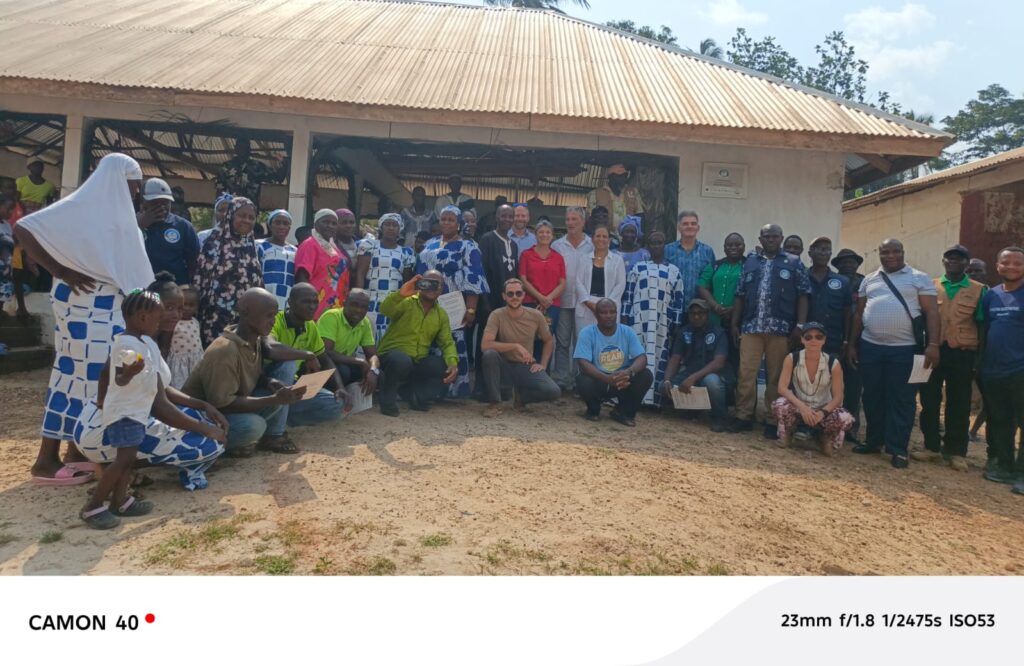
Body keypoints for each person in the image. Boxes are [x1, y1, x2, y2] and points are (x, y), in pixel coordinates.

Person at [14, 153, 154, 485]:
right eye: (134, 186)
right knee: (92, 381)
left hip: (103, 307)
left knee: (74, 379)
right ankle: (46, 462)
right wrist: (60, 270)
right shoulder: (80, 207)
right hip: (85, 308)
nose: (136, 193)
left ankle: (75, 453)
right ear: (119, 181)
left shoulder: (113, 214)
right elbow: (23, 228)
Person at [73, 276, 227, 492]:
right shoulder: (138, 344)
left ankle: (118, 481)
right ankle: (106, 488)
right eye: (168, 307)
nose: (176, 314)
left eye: (180, 308)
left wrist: (203, 405)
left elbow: (161, 388)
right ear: (146, 312)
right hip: (108, 427)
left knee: (197, 418)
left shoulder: (145, 340)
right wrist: (207, 430)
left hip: (113, 419)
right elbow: (160, 407)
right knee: (209, 445)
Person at [847, 239, 940, 469]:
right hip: (871, 347)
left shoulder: (919, 278)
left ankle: (897, 448)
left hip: (906, 350)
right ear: (879, 254)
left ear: (903, 252)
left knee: (902, 399)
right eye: (885, 252)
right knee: (872, 396)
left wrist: (934, 344)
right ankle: (873, 441)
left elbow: (932, 312)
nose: (890, 256)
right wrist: (851, 344)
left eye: (895, 251)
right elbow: (859, 315)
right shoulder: (869, 279)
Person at [182, 288, 308, 456]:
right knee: (253, 426)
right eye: (268, 315)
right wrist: (273, 399)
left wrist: (270, 382)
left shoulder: (254, 340)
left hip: (223, 410)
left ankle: (241, 442)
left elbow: (250, 376)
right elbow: (223, 404)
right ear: (246, 313)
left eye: (275, 315)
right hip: (201, 417)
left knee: (279, 395)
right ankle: (212, 448)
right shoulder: (224, 350)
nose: (273, 321)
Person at [79, 289, 165, 529]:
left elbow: (105, 372)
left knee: (128, 460)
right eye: (157, 319)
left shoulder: (137, 341)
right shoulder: (126, 345)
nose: (159, 324)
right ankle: (93, 506)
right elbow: (119, 378)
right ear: (142, 318)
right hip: (124, 414)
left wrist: (101, 398)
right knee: (123, 460)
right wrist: (129, 373)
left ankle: (120, 501)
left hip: (134, 412)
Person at [730, 224, 811, 438]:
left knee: (776, 377)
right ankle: (743, 417)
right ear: (760, 238)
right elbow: (739, 294)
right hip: (751, 327)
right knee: (746, 374)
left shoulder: (793, 263)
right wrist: (734, 323)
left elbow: (803, 295)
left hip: (780, 329)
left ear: (781, 238)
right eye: (767, 236)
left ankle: (772, 420)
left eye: (775, 236)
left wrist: (800, 326)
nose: (771, 240)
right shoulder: (750, 262)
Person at [913, 245, 986, 471]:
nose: (954, 262)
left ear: (967, 264)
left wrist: (979, 360)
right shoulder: (930, 286)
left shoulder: (979, 290)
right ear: (943, 261)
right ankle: (931, 447)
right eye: (950, 258)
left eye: (960, 259)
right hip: (932, 351)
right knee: (929, 400)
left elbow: (982, 326)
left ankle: (956, 452)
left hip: (962, 353)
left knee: (959, 404)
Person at [264, 283, 349, 452]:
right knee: (287, 364)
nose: (312, 306)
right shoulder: (277, 320)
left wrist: (340, 388)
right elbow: (270, 348)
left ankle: (280, 418)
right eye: (306, 302)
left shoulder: (310, 326)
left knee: (336, 404)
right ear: (290, 302)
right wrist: (306, 355)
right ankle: (274, 434)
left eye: (315, 302)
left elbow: (324, 357)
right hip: (267, 385)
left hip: (290, 390)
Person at [417, 206, 486, 398]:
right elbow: (419, 275)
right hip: (427, 304)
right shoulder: (429, 244)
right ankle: (429, 389)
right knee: (428, 342)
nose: (446, 223)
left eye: (451, 220)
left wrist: (471, 310)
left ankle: (454, 389)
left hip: (453, 305)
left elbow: (475, 279)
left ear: (459, 224)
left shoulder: (469, 247)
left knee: (453, 344)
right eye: (443, 219)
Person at [376, 272, 459, 416]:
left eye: (436, 284)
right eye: (428, 282)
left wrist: (453, 363)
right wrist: (400, 294)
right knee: (401, 360)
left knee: (441, 365)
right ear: (420, 284)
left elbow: (447, 342)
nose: (432, 287)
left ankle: (414, 395)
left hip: (416, 361)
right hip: (391, 358)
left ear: (441, 289)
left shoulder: (441, 314)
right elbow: (385, 310)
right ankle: (387, 401)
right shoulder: (406, 302)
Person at [977, 247, 1024, 493]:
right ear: (998, 266)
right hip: (994, 371)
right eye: (1006, 263)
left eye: (1018, 263)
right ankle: (1003, 466)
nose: (1012, 267)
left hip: (1021, 369)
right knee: (1001, 421)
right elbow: (985, 332)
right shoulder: (991, 296)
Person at [480, 278, 561, 417]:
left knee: (553, 392)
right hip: (503, 365)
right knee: (489, 355)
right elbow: (485, 345)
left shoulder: (536, 315)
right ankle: (494, 403)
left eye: (518, 293)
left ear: (524, 295)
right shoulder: (497, 315)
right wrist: (515, 346)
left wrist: (543, 364)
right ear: (504, 296)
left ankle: (521, 397)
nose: (514, 297)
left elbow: (548, 340)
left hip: (525, 365)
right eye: (510, 294)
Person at [772, 322, 854, 454]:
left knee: (845, 417)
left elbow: (838, 397)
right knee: (780, 405)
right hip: (799, 407)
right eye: (808, 337)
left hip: (824, 410)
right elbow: (782, 388)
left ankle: (824, 437)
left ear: (824, 340)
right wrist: (803, 408)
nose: (813, 340)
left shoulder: (833, 363)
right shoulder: (792, 358)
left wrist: (822, 413)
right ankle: (787, 433)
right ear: (802, 340)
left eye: (818, 337)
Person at [622, 231, 683, 406]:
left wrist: (676, 324)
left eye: (659, 242)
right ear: (648, 246)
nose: (656, 246)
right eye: (652, 243)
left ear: (665, 244)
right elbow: (628, 295)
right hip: (639, 322)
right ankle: (634, 398)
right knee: (636, 356)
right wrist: (625, 316)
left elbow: (679, 299)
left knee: (659, 357)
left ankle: (654, 400)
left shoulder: (673, 271)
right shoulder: (639, 268)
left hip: (662, 324)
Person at [193, 196, 263, 346]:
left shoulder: (254, 248)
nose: (247, 220)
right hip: (215, 314)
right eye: (242, 215)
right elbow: (200, 280)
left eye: (251, 217)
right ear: (230, 215)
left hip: (244, 316)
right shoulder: (212, 243)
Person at [574, 298, 654, 426]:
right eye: (603, 312)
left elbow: (642, 358)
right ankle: (593, 410)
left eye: (612, 312)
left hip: (623, 380)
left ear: (617, 313)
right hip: (599, 379)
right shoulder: (587, 333)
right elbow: (582, 362)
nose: (608, 316)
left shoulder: (627, 332)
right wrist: (606, 378)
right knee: (582, 379)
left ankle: (624, 413)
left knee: (646, 375)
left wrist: (629, 372)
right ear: (596, 315)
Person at [661, 299, 733, 431]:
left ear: (708, 314)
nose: (696, 316)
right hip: (691, 374)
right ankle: (693, 410)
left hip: (715, 376)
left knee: (711, 381)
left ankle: (720, 418)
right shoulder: (684, 332)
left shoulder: (718, 332)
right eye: (692, 313)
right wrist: (667, 380)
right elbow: (675, 358)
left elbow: (719, 362)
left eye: (701, 313)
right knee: (663, 387)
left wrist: (693, 378)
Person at [354, 213, 416, 342]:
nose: (391, 228)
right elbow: (360, 273)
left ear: (400, 229)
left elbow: (407, 281)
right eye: (387, 224)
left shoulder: (406, 252)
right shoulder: (369, 246)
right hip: (371, 300)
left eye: (395, 225)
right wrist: (358, 297)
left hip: (393, 301)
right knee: (367, 336)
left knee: (388, 337)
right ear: (381, 227)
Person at [551, 206, 594, 391]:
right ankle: (562, 379)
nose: (570, 223)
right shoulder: (557, 245)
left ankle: (580, 381)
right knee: (562, 341)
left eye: (574, 219)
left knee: (581, 342)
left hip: (585, 302)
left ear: (583, 222)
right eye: (568, 219)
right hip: (563, 300)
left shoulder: (592, 245)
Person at [831, 247, 867, 443]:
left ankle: (851, 427)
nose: (847, 265)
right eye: (843, 262)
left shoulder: (865, 283)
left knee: (854, 387)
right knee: (831, 386)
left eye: (851, 261)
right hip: (834, 340)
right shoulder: (833, 282)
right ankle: (830, 425)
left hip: (858, 343)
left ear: (857, 264)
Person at [137, 178, 200, 285]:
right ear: (143, 202)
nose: (161, 207)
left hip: (173, 290)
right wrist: (139, 227)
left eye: (165, 202)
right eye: (154, 203)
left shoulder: (183, 226)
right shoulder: (131, 224)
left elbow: (193, 261)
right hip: (142, 288)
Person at [518, 218, 566, 355]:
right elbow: (523, 278)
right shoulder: (526, 255)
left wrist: (547, 299)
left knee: (546, 339)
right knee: (528, 338)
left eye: (548, 232)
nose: (544, 235)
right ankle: (527, 372)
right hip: (530, 303)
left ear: (552, 235)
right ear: (535, 234)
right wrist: (540, 298)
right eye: (541, 232)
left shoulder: (558, 257)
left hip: (552, 305)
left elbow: (562, 283)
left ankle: (544, 372)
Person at [318, 288, 380, 393]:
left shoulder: (365, 323)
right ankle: (331, 400)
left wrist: (373, 370)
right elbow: (325, 352)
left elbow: (372, 355)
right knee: (344, 371)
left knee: (377, 375)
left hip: (345, 363)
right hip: (322, 364)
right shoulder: (331, 316)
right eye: (354, 305)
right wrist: (359, 361)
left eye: (363, 307)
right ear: (344, 302)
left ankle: (352, 403)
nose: (358, 310)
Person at [295, 208, 350, 320]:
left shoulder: (334, 247)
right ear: (316, 224)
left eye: (334, 223)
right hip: (316, 305)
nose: (330, 226)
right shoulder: (309, 245)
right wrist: (307, 304)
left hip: (336, 304)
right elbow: (302, 277)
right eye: (325, 222)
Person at [806, 237, 852, 358]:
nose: (823, 253)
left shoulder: (842, 281)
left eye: (827, 250)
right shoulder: (801, 277)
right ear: (810, 253)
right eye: (820, 249)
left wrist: (846, 340)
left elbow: (847, 312)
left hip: (832, 341)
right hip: (804, 340)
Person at [575, 225, 626, 335]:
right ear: (592, 239)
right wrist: (590, 303)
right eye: (598, 236)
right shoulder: (583, 259)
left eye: (604, 236)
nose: (601, 239)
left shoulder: (617, 260)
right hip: (587, 306)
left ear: (609, 240)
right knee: (585, 341)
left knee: (607, 343)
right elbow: (578, 282)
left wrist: (605, 305)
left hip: (609, 308)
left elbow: (620, 284)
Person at [664, 210, 716, 309]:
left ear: (698, 228)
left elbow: (711, 280)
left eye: (693, 223)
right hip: (672, 306)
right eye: (685, 224)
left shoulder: (707, 251)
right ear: (679, 228)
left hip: (699, 309)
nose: (689, 226)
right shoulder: (668, 250)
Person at [216, 139, 278, 207]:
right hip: (231, 209)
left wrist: (284, 161)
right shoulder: (226, 167)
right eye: (240, 147)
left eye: (245, 147)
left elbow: (277, 177)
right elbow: (219, 190)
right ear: (235, 148)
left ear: (249, 149)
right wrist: (219, 208)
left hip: (250, 210)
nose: (243, 150)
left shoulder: (257, 166)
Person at [257, 209, 297, 311]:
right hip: (262, 298)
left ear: (289, 227)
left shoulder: (295, 251)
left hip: (286, 302)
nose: (281, 226)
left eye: (285, 223)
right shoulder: (258, 245)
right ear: (270, 225)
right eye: (277, 223)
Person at [586, 164, 644, 229]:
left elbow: (640, 215)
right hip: (605, 236)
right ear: (610, 177)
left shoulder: (633, 192)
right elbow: (590, 218)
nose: (622, 179)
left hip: (628, 236)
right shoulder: (595, 193)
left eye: (624, 176)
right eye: (618, 176)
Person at [168, 285, 203, 388]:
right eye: (183, 305)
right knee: (181, 387)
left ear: (197, 307)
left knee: (196, 386)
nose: (186, 308)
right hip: (179, 363)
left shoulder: (195, 322)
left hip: (196, 361)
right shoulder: (174, 323)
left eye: (191, 305)